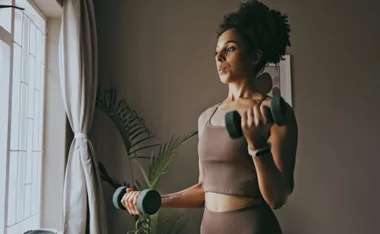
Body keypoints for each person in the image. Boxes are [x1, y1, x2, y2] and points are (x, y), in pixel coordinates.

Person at [121, 0, 298, 233]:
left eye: (230, 48)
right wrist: (152, 200)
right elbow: (205, 188)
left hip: (252, 227)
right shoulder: (206, 117)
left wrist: (257, 147)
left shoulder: (274, 113)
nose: (219, 57)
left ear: (255, 56)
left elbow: (278, 198)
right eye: (217, 52)